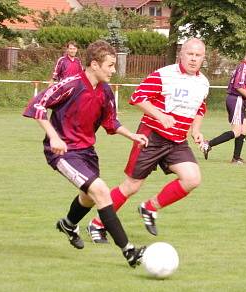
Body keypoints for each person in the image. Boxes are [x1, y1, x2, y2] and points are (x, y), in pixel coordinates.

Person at [23, 40, 148, 267]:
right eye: (110, 65)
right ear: (94, 64)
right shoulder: (70, 84)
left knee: (89, 197)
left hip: (87, 152)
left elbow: (111, 122)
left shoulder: (106, 91)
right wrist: (54, 136)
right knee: (101, 191)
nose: (113, 70)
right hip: (63, 152)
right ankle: (129, 251)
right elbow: (37, 105)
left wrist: (131, 135)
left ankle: (68, 224)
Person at [86, 38, 210, 242]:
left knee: (192, 178)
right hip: (151, 136)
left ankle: (150, 207)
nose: (194, 59)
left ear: (203, 58)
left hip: (177, 141)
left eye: (198, 55)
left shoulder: (203, 82)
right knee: (131, 186)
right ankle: (97, 224)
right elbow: (138, 97)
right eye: (190, 54)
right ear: (182, 54)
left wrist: (196, 130)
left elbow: (200, 108)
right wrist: (160, 116)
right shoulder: (164, 75)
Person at [201, 49, 246, 164]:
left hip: (239, 100)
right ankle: (208, 144)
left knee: (244, 129)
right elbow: (238, 86)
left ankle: (236, 158)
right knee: (237, 131)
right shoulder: (243, 67)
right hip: (236, 99)